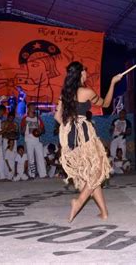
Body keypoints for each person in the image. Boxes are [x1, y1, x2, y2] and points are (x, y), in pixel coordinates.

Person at [54, 61, 122, 222]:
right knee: (97, 171)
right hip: (83, 133)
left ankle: (104, 212)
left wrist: (68, 127)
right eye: (84, 72)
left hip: (69, 134)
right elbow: (105, 103)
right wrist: (112, 83)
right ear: (79, 74)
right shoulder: (86, 92)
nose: (86, 75)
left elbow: (57, 116)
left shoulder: (65, 93)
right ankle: (78, 202)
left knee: (90, 174)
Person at [21, 103, 46, 178]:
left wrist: (40, 130)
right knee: (30, 157)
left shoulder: (38, 118)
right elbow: (22, 132)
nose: (33, 108)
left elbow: (43, 130)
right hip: (29, 140)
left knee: (40, 157)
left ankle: (43, 174)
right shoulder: (25, 119)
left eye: (34, 107)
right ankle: (32, 174)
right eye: (32, 107)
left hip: (37, 140)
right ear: (28, 108)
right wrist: (25, 126)